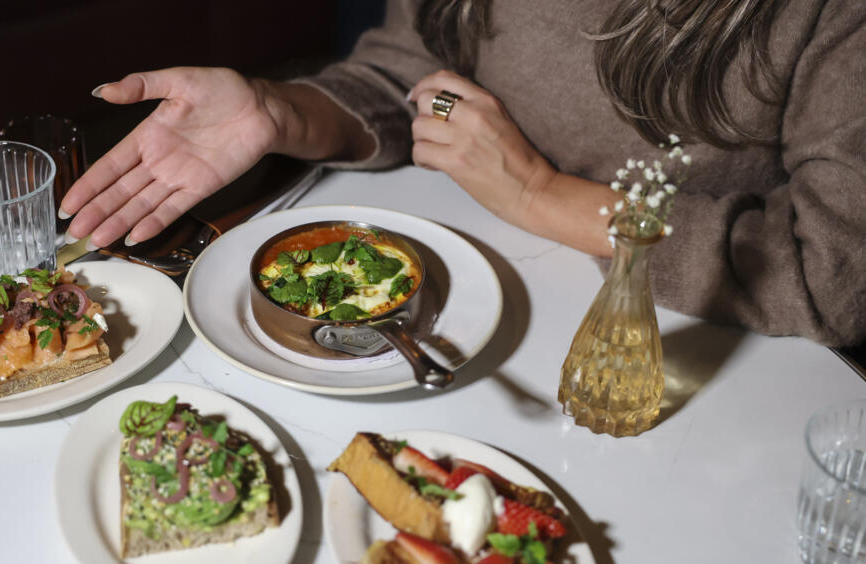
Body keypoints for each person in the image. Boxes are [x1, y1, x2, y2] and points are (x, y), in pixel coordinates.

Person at [59, 0, 866, 347]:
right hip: (456, 311)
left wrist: (536, 194)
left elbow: (832, 271)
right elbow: (410, 74)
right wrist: (278, 111)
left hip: (680, 354)